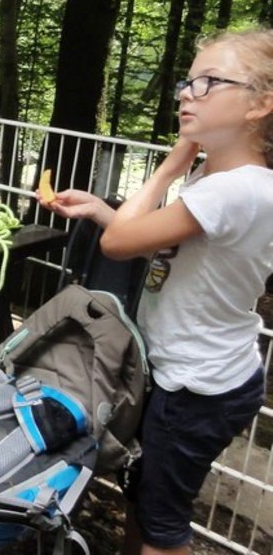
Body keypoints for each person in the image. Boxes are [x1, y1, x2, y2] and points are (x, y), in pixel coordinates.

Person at [38, 29, 273, 555]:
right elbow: (170, 252)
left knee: (163, 525)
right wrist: (101, 211)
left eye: (209, 82)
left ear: (260, 104)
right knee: (146, 496)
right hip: (192, 373)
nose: (187, 93)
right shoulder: (226, 180)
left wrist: (169, 168)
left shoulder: (234, 189)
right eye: (187, 83)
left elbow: (119, 245)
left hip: (198, 388)